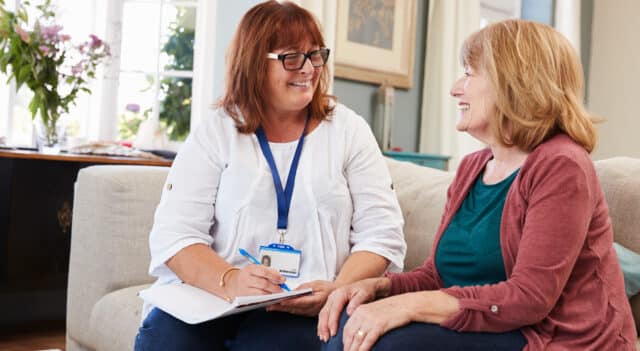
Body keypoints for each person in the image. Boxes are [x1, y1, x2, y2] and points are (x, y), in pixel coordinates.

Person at [318, 19, 637, 351]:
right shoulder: (473, 167)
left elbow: (530, 298)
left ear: (514, 84)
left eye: (469, 74)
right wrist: (378, 289)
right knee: (348, 325)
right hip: (499, 330)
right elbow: (436, 277)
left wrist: (406, 306)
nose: (456, 88)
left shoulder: (562, 166)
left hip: (553, 337)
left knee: (387, 345)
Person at [133, 1, 406, 350]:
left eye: (315, 55)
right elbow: (175, 235)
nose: (308, 69)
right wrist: (230, 280)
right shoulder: (216, 132)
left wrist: (337, 290)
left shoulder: (349, 130)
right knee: (163, 339)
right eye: (291, 57)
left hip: (309, 309)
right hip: (215, 299)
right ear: (253, 63)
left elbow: (381, 235)